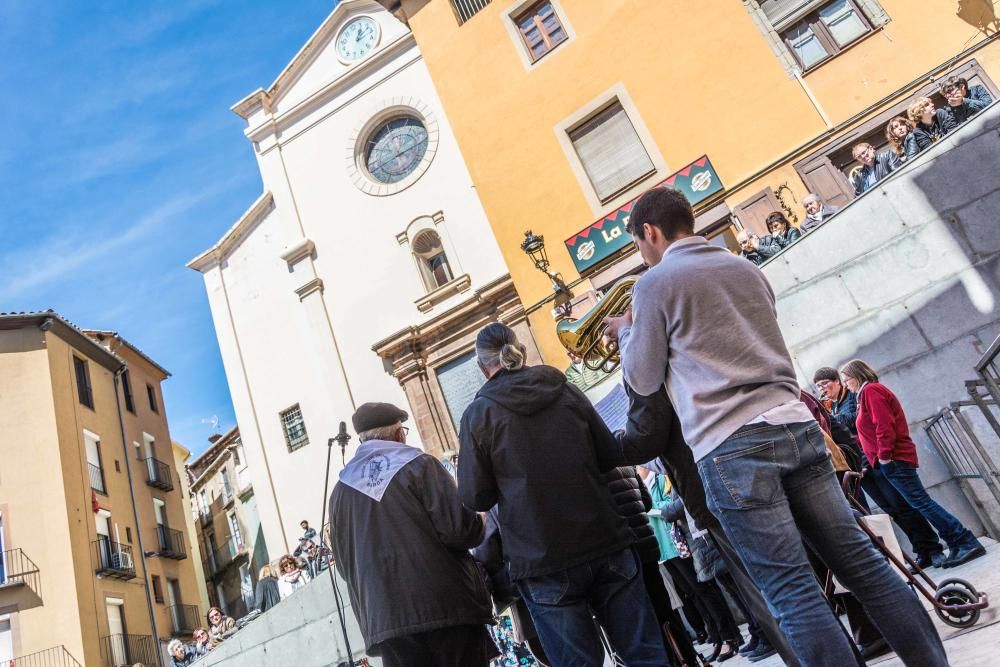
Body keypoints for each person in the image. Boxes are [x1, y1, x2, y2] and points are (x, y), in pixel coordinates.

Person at [604, 186, 948, 667]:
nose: (643, 256)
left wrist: (628, 334)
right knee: (864, 565)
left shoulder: (654, 285)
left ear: (650, 232)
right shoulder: (745, 268)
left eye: (639, 246)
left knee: (792, 590)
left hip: (731, 445)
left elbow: (641, 378)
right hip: (795, 423)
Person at [458, 323, 668, 667]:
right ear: (519, 350)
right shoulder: (564, 390)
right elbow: (609, 454)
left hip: (542, 558)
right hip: (605, 537)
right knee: (644, 654)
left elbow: (475, 497)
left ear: (483, 368)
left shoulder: (477, 417)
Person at [329, 402, 494, 667]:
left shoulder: (340, 492)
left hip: (386, 619)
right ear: (398, 434)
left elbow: (345, 567)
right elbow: (461, 531)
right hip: (446, 607)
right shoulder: (421, 465)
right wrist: (482, 516)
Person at [840, 359, 987, 568]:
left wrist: (884, 457)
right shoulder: (866, 394)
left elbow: (884, 426)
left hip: (894, 460)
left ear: (858, 375)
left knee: (922, 503)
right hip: (890, 460)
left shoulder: (872, 391)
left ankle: (964, 541)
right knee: (920, 503)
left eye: (847, 380)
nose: (845, 385)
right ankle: (958, 543)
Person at [814, 366, 946, 569]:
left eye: (825, 384)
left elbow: (853, 422)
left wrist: (827, 416)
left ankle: (933, 548)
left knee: (904, 506)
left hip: (874, 461)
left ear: (838, 381)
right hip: (860, 468)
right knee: (892, 510)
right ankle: (921, 551)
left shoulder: (853, 397)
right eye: (818, 386)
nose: (822, 389)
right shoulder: (834, 406)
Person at [606, 465, 701, 666]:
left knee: (645, 621)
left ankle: (670, 660)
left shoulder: (594, 472)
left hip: (626, 553)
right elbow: (647, 502)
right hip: (647, 546)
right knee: (666, 611)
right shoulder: (624, 465)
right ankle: (687, 659)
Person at [660, 490, 744, 663]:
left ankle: (728, 635)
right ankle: (717, 637)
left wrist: (662, 510)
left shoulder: (659, 479)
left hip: (680, 542)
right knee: (693, 594)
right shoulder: (649, 480)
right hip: (664, 550)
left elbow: (671, 505)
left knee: (705, 589)